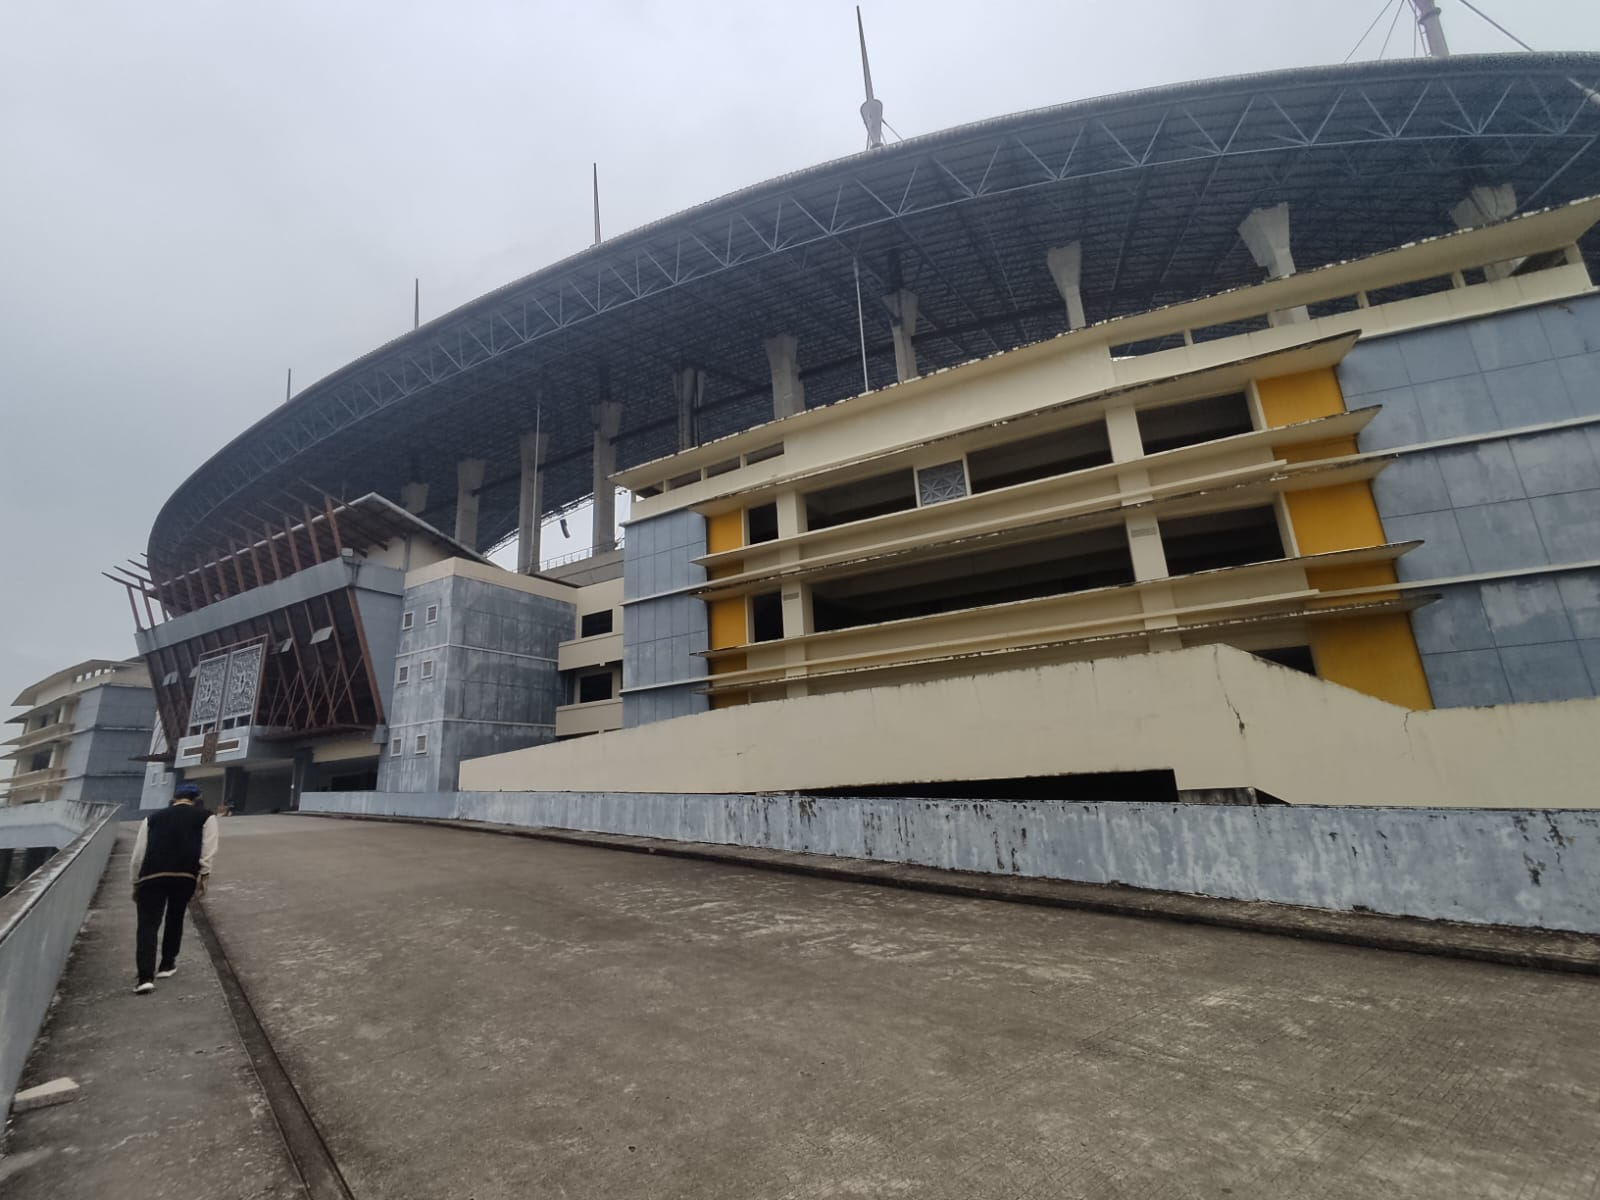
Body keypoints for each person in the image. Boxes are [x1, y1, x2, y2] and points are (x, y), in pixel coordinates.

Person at [129, 782, 218, 994]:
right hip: (184, 876)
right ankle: (167, 964)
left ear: (174, 798)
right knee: (175, 918)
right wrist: (204, 876)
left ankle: (145, 977)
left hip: (151, 876)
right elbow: (208, 849)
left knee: (147, 926)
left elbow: (138, 854)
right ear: (197, 798)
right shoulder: (206, 816)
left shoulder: (152, 818)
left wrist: (135, 882)